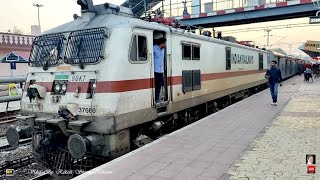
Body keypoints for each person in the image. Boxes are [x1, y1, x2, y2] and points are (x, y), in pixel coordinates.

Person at [153, 35, 166, 103]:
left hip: (161, 71)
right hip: (155, 70)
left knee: (159, 85)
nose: (165, 45)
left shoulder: (163, 50)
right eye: (165, 43)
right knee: (155, 85)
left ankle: (157, 98)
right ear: (162, 43)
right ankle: (154, 98)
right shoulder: (154, 48)